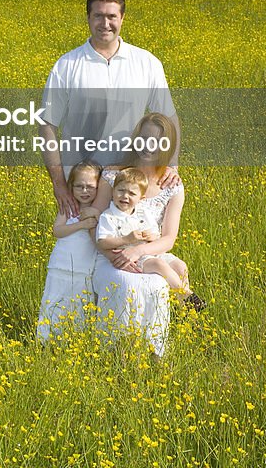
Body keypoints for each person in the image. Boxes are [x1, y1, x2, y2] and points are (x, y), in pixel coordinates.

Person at [39, 0, 178, 219]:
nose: (105, 23)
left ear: (122, 18)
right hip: (83, 186)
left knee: (128, 251)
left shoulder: (147, 62)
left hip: (130, 183)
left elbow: (169, 118)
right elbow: (46, 125)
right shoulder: (66, 65)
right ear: (88, 18)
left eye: (112, 16)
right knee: (78, 252)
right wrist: (60, 184)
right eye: (98, 16)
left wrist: (172, 166)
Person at [88, 113, 202, 355]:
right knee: (132, 281)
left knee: (177, 271)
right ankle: (118, 347)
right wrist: (114, 255)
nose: (149, 147)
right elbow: (93, 221)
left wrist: (137, 250)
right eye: (145, 138)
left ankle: (161, 344)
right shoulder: (114, 175)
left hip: (147, 253)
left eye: (157, 142)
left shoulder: (172, 185)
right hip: (112, 254)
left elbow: (169, 239)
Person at [95, 166, 203, 308]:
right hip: (131, 255)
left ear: (141, 198)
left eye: (132, 193)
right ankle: (185, 295)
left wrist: (151, 237)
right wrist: (126, 240)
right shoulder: (109, 216)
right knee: (159, 265)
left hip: (150, 251)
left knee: (181, 267)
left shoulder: (142, 212)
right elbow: (101, 241)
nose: (125, 196)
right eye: (121, 191)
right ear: (113, 192)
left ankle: (184, 311)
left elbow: (159, 235)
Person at [36, 159, 102, 343]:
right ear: (71, 187)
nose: (85, 191)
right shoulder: (68, 209)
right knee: (56, 300)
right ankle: (46, 340)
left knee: (79, 304)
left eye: (90, 186)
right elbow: (57, 231)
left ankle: (74, 340)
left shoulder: (98, 210)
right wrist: (82, 225)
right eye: (79, 186)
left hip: (84, 270)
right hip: (61, 265)